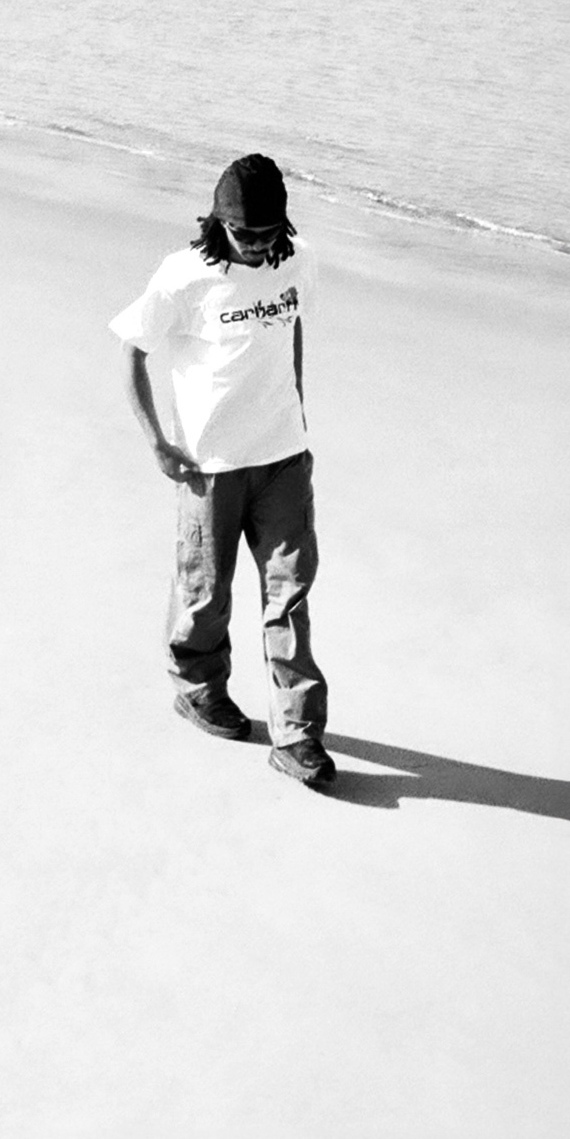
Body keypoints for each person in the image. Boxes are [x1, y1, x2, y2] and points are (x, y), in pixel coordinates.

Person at [110, 154, 335, 787]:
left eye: (267, 233)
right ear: (218, 222)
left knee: (290, 596)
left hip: (283, 457)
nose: (257, 245)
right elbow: (133, 350)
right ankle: (198, 688)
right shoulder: (184, 277)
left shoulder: (298, 261)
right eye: (243, 234)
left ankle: (297, 736)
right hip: (209, 465)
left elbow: (291, 326)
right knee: (206, 593)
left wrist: (296, 404)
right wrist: (157, 442)